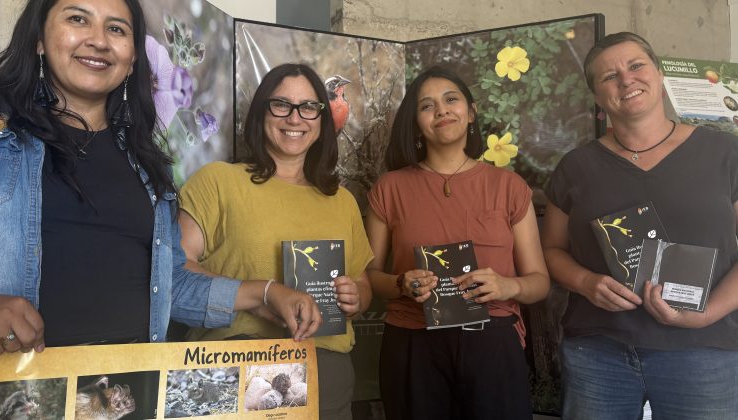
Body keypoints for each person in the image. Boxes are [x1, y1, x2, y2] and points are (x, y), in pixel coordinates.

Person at [0, 0, 321, 357]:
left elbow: (170, 285)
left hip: (125, 391)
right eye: (78, 19)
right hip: (5, 391)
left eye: (116, 28)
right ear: (39, 38)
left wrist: (264, 293)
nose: (98, 40)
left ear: (132, 59)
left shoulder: (148, 164)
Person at [542, 32, 738, 419]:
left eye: (636, 66)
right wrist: (585, 282)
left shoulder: (725, 153)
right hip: (598, 352)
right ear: (597, 99)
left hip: (704, 350)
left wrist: (707, 314)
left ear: (660, 74)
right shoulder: (575, 168)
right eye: (609, 76)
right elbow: (550, 250)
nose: (626, 79)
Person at [176, 63, 374, 419]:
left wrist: (355, 297)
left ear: (322, 118)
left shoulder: (341, 200)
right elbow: (175, 272)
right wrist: (261, 294)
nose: (295, 118)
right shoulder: (218, 181)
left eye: (308, 107)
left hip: (325, 371)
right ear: (261, 112)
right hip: (232, 366)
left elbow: (362, 281)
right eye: (281, 104)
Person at [365, 65, 550, 419]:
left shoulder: (509, 187)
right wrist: (401, 283)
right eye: (427, 106)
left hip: (492, 341)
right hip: (414, 342)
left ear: (471, 112)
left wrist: (508, 285)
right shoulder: (390, 188)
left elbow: (539, 282)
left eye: (451, 100)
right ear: (415, 123)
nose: (442, 110)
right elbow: (369, 278)